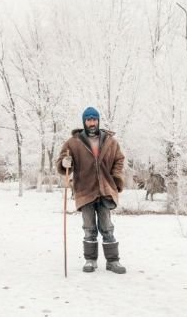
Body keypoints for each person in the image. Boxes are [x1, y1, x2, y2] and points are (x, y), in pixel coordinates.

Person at [56, 107, 127, 274]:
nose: (92, 122)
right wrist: (65, 163)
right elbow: (62, 163)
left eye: (94, 119)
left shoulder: (110, 141)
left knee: (107, 227)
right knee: (89, 227)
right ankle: (90, 260)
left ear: (98, 121)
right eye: (88, 119)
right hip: (85, 189)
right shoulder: (73, 142)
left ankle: (113, 261)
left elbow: (119, 159)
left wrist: (116, 178)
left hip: (105, 189)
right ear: (84, 122)